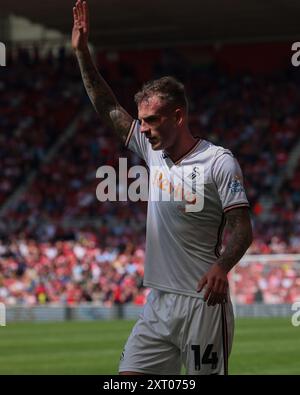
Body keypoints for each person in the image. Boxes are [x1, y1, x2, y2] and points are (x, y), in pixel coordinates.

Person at [72, 0, 253, 375]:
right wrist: (82, 53)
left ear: (178, 116)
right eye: (142, 122)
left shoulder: (219, 162)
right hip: (158, 301)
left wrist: (222, 266)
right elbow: (106, 105)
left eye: (152, 121)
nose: (145, 129)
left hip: (202, 303)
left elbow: (242, 228)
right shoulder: (150, 149)